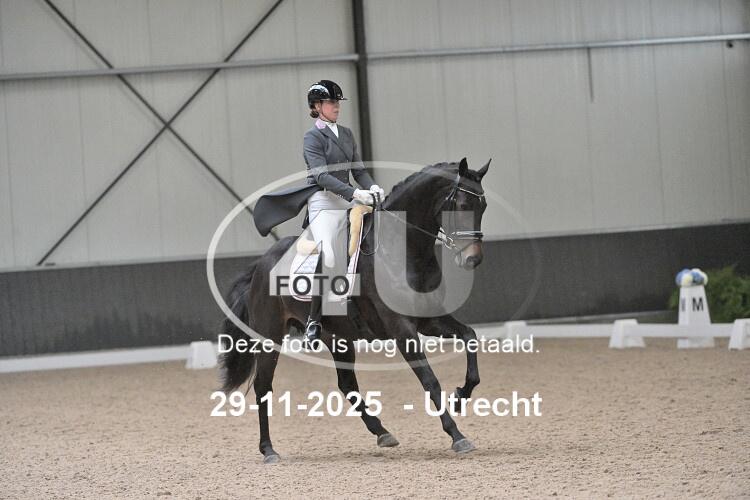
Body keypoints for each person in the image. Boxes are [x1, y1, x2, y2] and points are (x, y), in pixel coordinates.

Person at [302, 79, 385, 347]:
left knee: (374, 236)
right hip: (323, 201)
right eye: (331, 102)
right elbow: (321, 176)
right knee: (329, 251)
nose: (336, 106)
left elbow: (358, 170)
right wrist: (355, 193)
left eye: (337, 102)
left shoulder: (347, 134)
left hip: (348, 199)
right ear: (317, 106)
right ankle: (314, 320)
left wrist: (371, 186)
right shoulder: (312, 137)